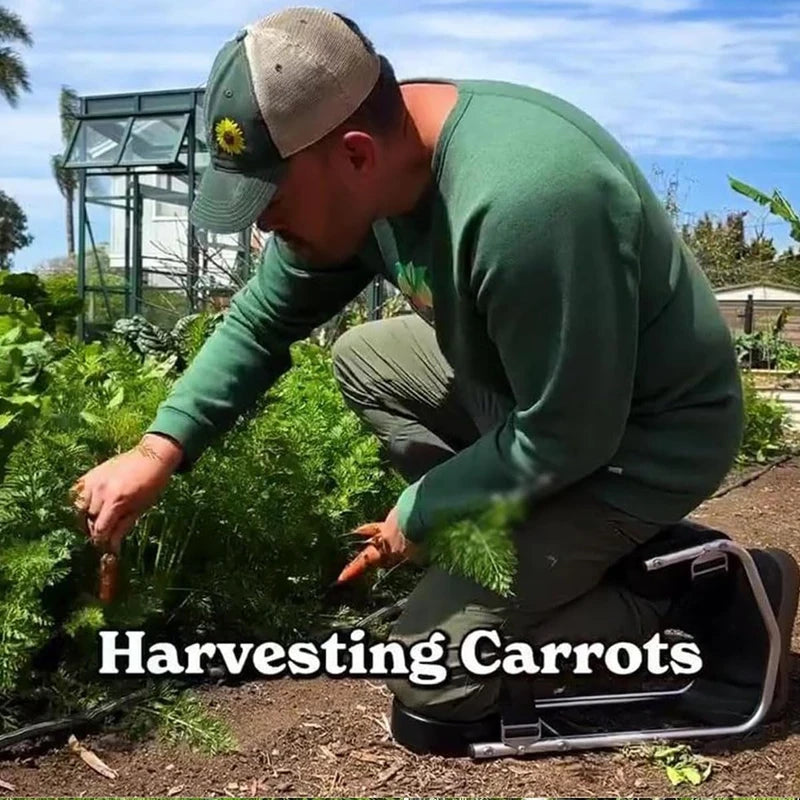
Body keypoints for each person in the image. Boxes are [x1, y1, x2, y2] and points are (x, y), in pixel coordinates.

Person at [72, 6, 799, 726]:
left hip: (639, 442)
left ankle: (693, 591)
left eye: (271, 200)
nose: (262, 224)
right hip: (540, 402)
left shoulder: (523, 201)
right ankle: (540, 554)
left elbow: (572, 434)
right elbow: (263, 319)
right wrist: (156, 450)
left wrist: (421, 510)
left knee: (436, 672)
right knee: (367, 358)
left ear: (354, 154)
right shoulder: (371, 170)